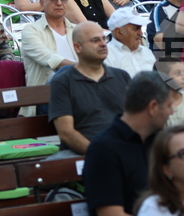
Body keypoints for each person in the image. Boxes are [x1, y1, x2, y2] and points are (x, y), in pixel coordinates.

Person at [83, 71, 173, 216]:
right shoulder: (104, 149)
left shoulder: (159, 142)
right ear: (153, 107)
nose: (172, 112)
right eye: (169, 105)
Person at [48, 21, 132, 155]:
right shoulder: (63, 82)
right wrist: (99, 153)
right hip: (83, 153)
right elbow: (66, 133)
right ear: (77, 47)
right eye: (95, 40)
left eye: (104, 39)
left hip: (123, 149)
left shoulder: (122, 77)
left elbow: (136, 120)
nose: (103, 44)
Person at [105, 6, 157, 77]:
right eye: (136, 29)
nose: (141, 33)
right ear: (119, 32)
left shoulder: (146, 52)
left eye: (140, 28)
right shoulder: (106, 56)